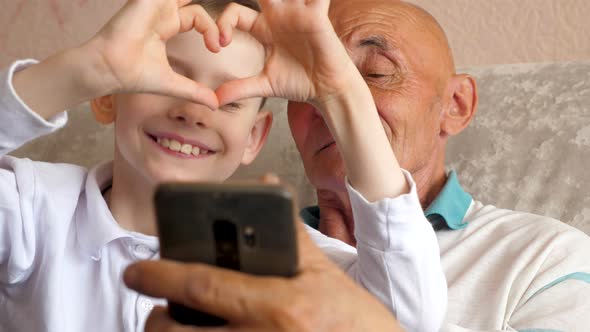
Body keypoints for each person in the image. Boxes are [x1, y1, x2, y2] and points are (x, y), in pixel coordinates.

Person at [128, 0, 590, 331]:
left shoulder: (545, 257)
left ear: (455, 104)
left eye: (374, 73)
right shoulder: (239, 247)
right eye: (311, 79)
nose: (334, 104)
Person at [0, 0, 446, 331]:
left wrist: (341, 94)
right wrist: (85, 67)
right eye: (168, 79)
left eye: (230, 100)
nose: (194, 111)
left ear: (254, 138)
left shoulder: (289, 257)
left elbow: (407, 317)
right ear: (106, 96)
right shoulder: (32, 209)